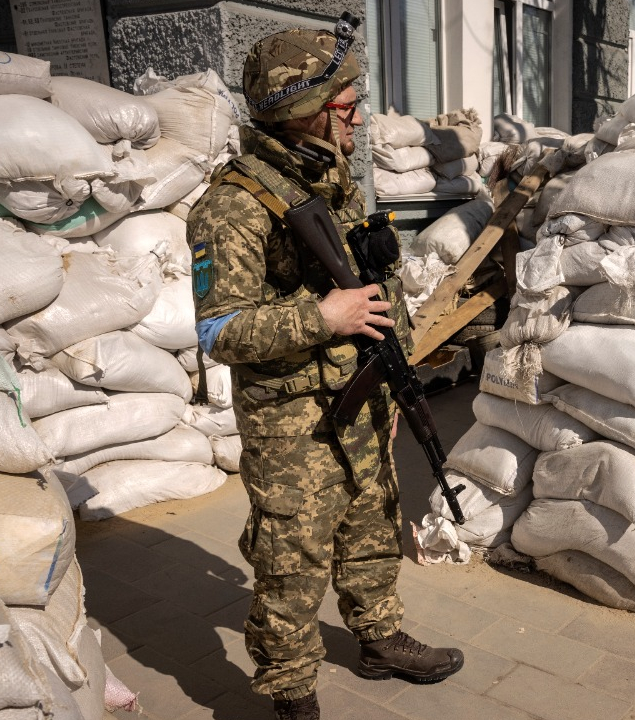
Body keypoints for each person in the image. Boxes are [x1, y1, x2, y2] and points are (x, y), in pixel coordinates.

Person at [187, 16, 463, 719]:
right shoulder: (230, 209)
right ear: (303, 115)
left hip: (362, 389)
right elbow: (219, 330)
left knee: (373, 522)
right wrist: (323, 319)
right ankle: (290, 689)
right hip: (294, 422)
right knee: (293, 555)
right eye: (345, 107)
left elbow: (361, 276)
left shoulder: (327, 171)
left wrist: (390, 350)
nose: (360, 118)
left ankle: (377, 638)